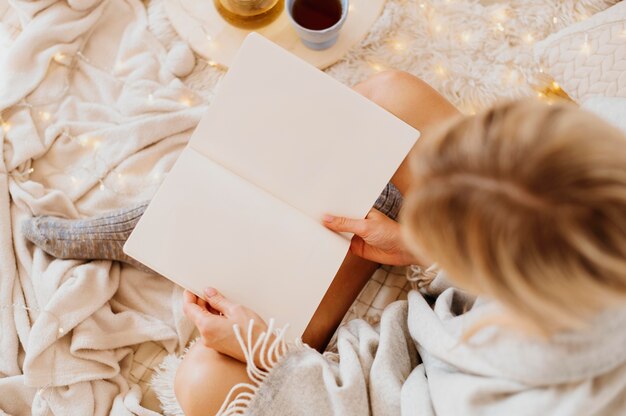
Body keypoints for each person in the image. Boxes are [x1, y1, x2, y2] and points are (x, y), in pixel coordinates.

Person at [24, 71, 626, 415]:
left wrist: (264, 352)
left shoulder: (507, 398)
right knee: (392, 99)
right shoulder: (609, 146)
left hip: (410, 374)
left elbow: (382, 405)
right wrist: (422, 241)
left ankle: (185, 228)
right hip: (526, 260)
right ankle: (209, 216)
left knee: (202, 384)